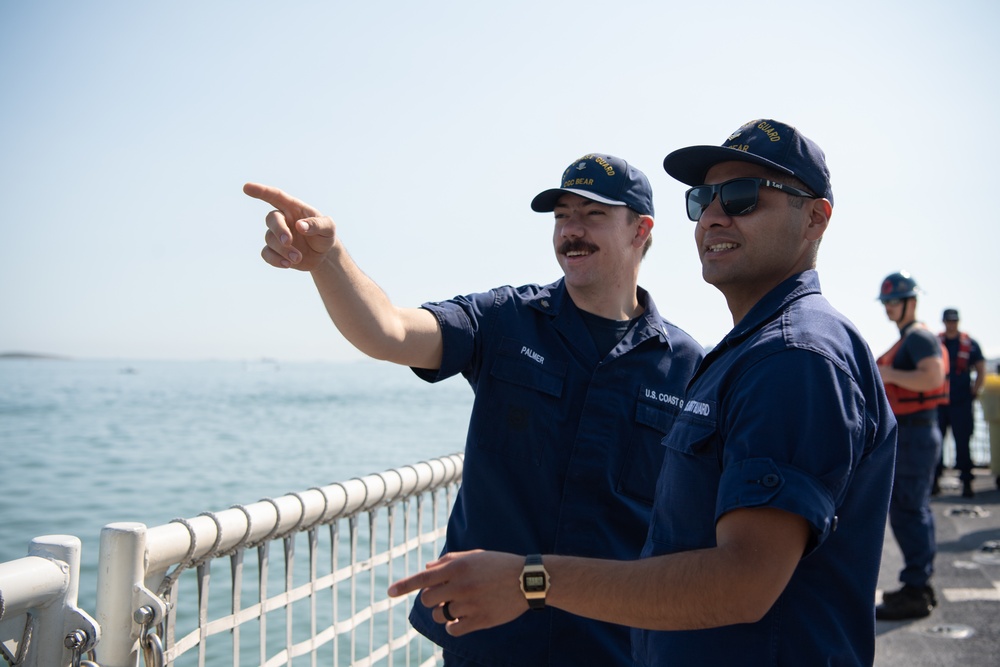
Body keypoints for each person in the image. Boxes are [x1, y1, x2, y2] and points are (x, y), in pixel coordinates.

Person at [389, 119, 897, 666]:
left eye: (745, 197)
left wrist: (527, 580)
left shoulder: (793, 358)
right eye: (704, 198)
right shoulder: (744, 354)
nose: (715, 215)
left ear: (815, 218)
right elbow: (391, 331)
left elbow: (744, 580)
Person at [244, 154, 704, 667]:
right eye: (561, 216)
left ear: (641, 230)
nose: (571, 231)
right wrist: (329, 260)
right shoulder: (505, 319)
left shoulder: (688, 366)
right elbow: (388, 331)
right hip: (492, 642)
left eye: (592, 214)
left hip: (617, 647)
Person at [874, 271, 948, 620]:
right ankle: (920, 584)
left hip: (916, 435)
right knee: (913, 509)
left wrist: (887, 375)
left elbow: (932, 377)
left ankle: (916, 588)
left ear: (911, 303)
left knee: (907, 510)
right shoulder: (910, 338)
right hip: (916, 433)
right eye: (886, 303)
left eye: (894, 302)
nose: (889, 308)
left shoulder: (917, 339)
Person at [935, 307, 986, 498]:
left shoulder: (971, 344)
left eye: (954, 321)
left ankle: (966, 481)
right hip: (940, 403)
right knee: (936, 444)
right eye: (948, 321)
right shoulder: (935, 343)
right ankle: (934, 482)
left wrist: (974, 390)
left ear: (958, 322)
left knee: (963, 443)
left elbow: (981, 369)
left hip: (962, 402)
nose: (951, 324)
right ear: (944, 322)